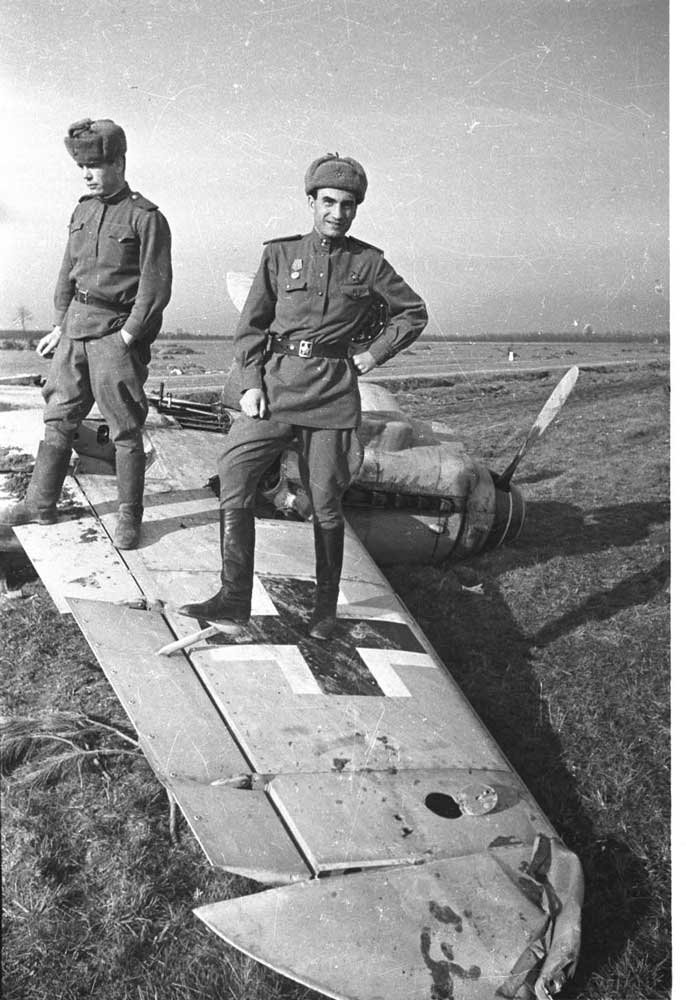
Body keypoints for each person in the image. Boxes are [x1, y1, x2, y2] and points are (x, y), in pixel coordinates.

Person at [178, 153, 428, 639]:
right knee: (235, 471)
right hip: (276, 387)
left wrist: (374, 355)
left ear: (356, 209)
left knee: (326, 501)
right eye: (328, 202)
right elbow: (251, 327)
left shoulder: (369, 263)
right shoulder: (279, 255)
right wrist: (251, 383)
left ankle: (324, 612)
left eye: (348, 205)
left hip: (332, 395)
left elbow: (413, 312)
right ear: (311, 201)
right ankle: (233, 597)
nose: (338, 213)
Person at [1, 117, 172, 549]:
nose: (87, 175)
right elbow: (68, 272)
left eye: (94, 166)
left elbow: (154, 289)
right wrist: (59, 325)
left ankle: (129, 517)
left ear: (119, 163)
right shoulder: (82, 210)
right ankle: (40, 503)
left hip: (114, 333)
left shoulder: (146, 218)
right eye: (82, 167)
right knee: (58, 417)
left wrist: (128, 338)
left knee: (125, 428)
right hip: (75, 331)